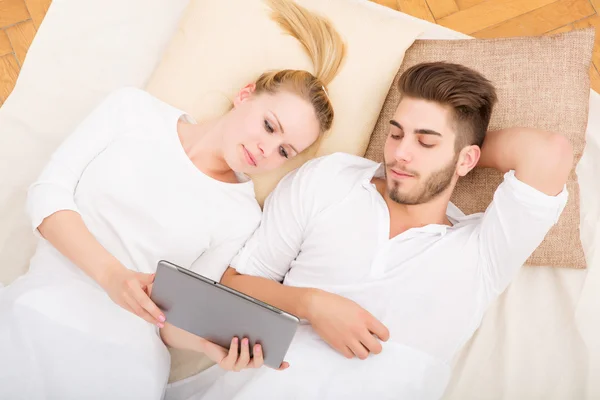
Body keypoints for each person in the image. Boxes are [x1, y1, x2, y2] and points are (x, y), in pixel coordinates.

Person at [0, 0, 345, 399]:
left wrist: (206, 344)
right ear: (245, 94)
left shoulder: (243, 216)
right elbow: (47, 196)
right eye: (269, 126)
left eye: (284, 151)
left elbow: (173, 320)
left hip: (125, 361)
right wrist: (112, 276)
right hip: (38, 312)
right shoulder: (134, 111)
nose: (267, 150)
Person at [189, 62, 573, 399]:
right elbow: (234, 283)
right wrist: (310, 304)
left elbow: (549, 153)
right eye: (395, 134)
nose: (399, 154)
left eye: (425, 141)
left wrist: (461, 152)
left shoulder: (483, 251)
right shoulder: (332, 179)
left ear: (467, 158)